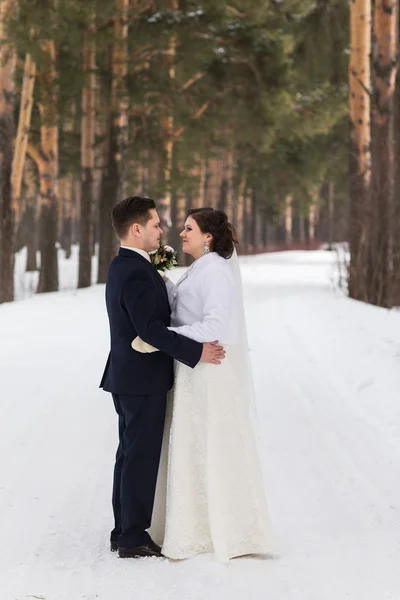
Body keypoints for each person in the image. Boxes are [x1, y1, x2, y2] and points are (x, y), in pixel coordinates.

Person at [135, 207, 271, 562]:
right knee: (192, 446)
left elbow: (212, 326)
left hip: (208, 371)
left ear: (208, 236)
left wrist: (163, 337)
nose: (181, 233)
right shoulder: (200, 268)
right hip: (193, 367)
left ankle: (223, 528)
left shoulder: (215, 271)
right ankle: (194, 524)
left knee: (210, 445)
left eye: (189, 228)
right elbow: (186, 308)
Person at [100, 197, 226, 559]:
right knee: (138, 458)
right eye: (155, 224)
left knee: (128, 455)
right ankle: (132, 538)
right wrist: (196, 351)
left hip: (129, 377)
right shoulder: (136, 270)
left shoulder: (127, 265)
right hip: (140, 379)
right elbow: (150, 329)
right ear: (137, 229)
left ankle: (123, 530)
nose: (162, 230)